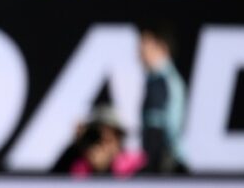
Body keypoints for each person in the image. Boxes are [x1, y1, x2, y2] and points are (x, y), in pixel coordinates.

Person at [138, 24, 187, 173]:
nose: (140, 51)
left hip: (164, 166)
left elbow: (159, 131)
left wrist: (154, 166)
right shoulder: (157, 80)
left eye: (145, 44)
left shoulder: (162, 81)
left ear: (162, 47)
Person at [68, 105, 147, 178]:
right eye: (95, 138)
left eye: (108, 140)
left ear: (119, 140)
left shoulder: (137, 167)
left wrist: (106, 168)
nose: (100, 146)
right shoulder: (77, 168)